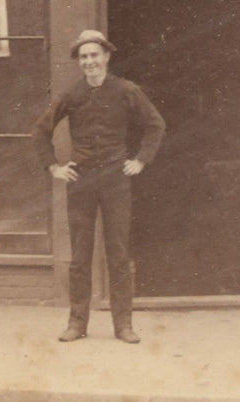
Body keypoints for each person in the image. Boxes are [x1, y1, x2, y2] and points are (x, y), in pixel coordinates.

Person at [33, 29, 165, 344]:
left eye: (95, 55)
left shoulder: (126, 90)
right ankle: (77, 322)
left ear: (106, 56)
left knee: (118, 252)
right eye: (84, 57)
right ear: (79, 62)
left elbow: (155, 124)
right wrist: (54, 166)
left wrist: (141, 160)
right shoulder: (72, 95)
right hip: (81, 181)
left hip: (115, 179)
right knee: (79, 255)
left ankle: (123, 325)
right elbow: (40, 129)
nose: (90, 62)